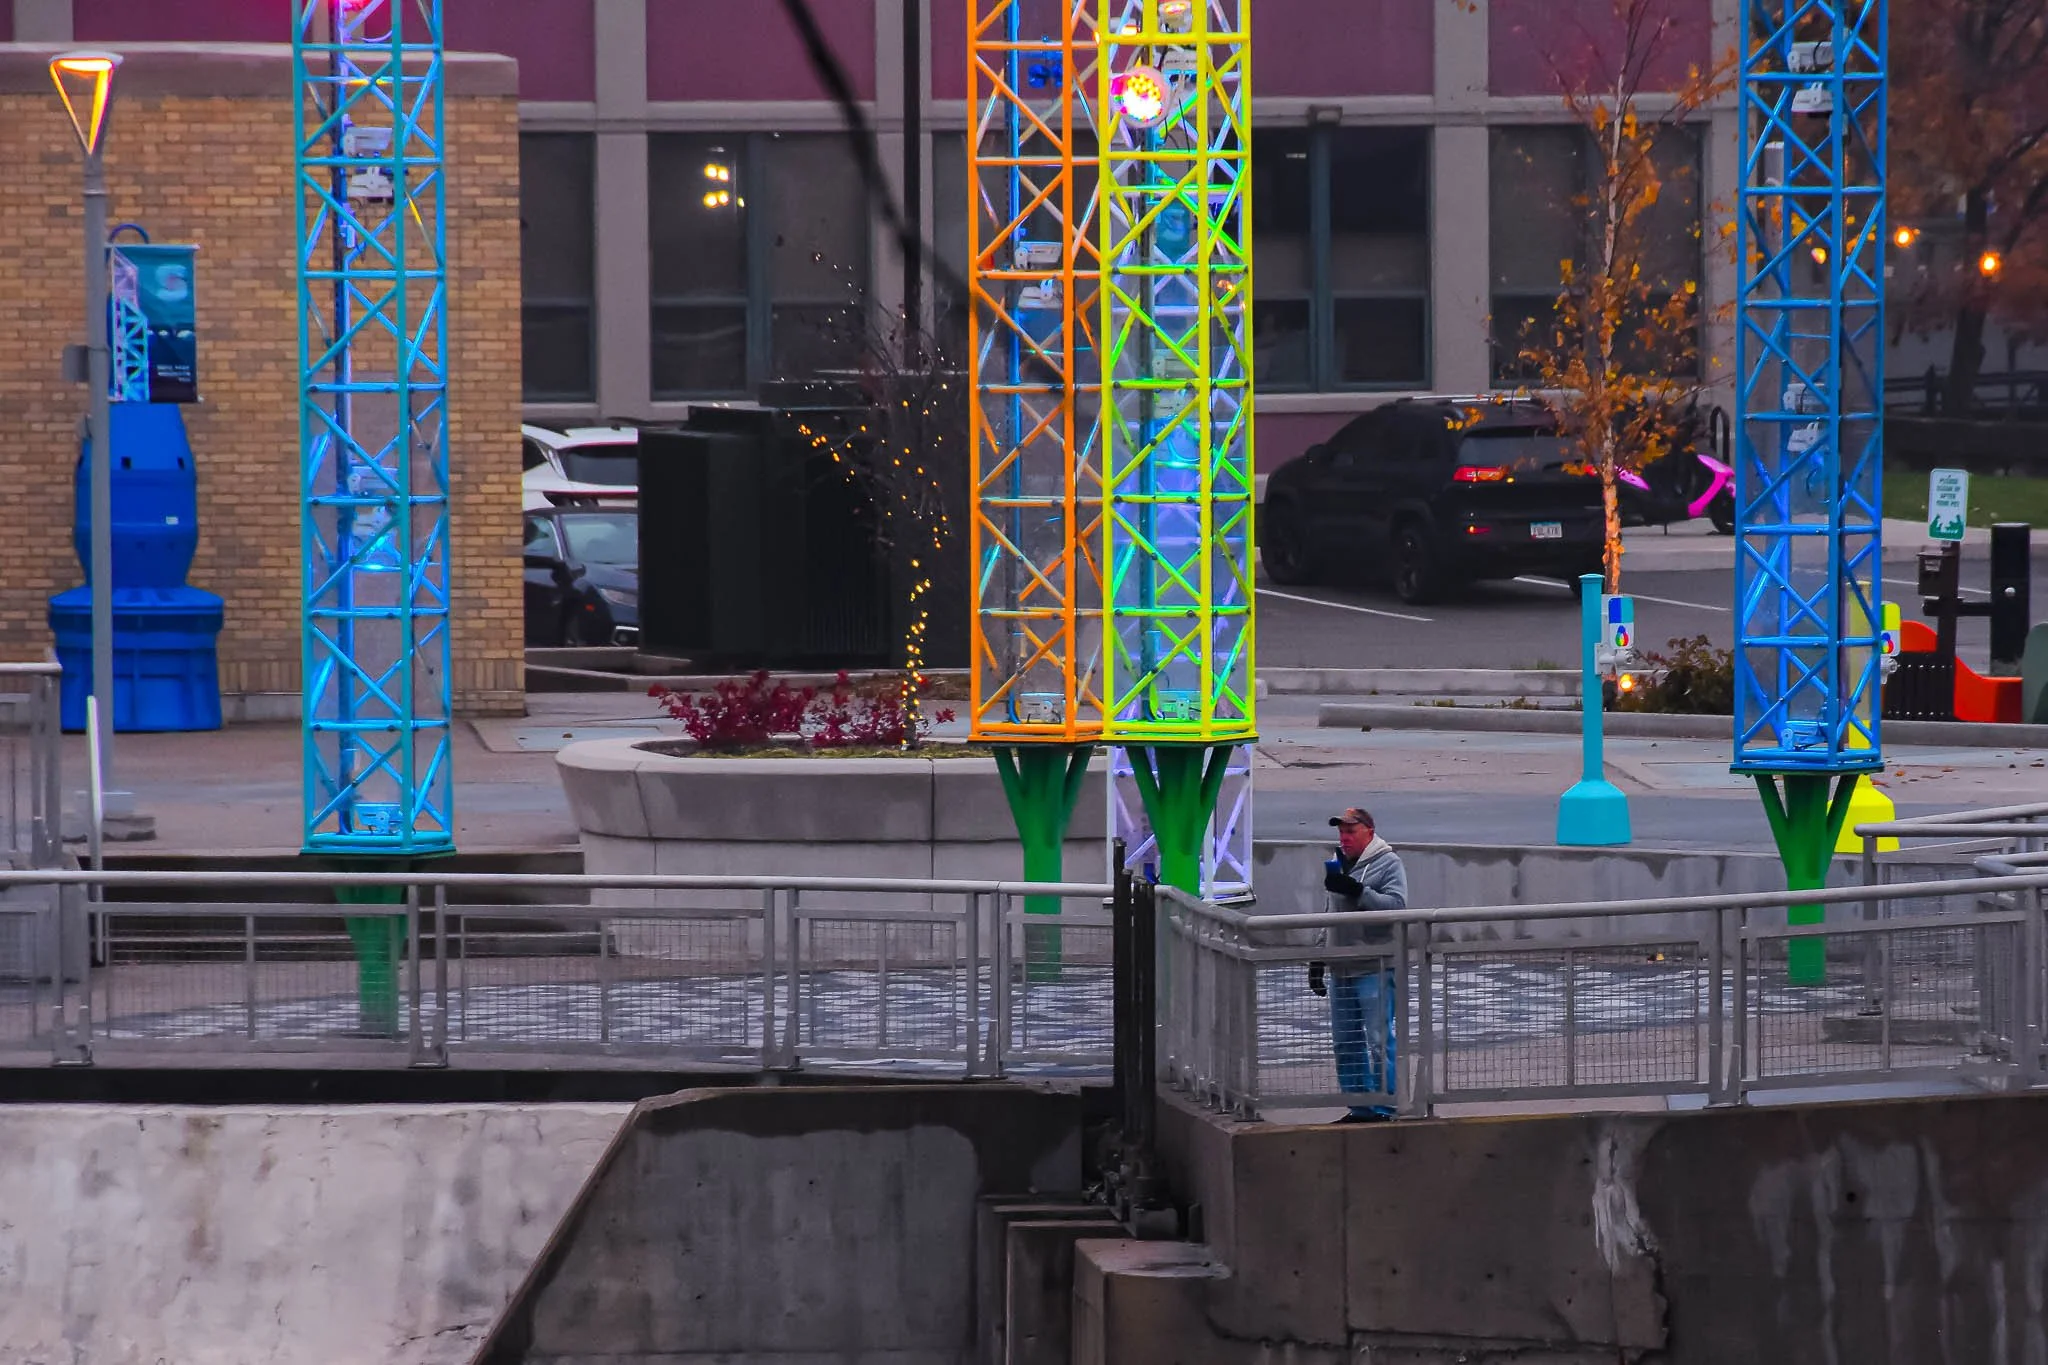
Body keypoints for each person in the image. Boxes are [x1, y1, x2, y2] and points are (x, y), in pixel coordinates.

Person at [1308, 806, 1408, 1122]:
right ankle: (1359, 1106)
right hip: (1341, 966)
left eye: (1351, 831)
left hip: (1374, 966)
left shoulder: (1389, 863)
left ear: (1369, 831)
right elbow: (1330, 914)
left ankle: (1385, 1106)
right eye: (1341, 832)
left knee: (1379, 1040)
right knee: (1345, 1041)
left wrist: (1360, 892)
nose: (1344, 837)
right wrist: (1319, 958)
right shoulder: (1337, 866)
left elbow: (1397, 907)